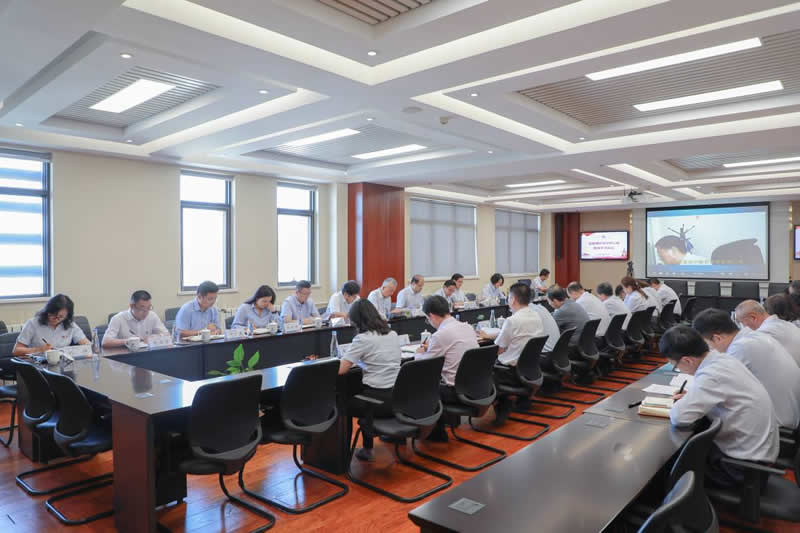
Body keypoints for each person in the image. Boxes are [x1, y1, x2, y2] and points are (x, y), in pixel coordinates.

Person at [660, 325, 779, 489]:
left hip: (742, 469)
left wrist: (686, 401)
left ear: (687, 360)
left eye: (676, 366)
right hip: (757, 455)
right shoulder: (724, 360)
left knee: (668, 470)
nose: (678, 369)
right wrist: (692, 396)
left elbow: (679, 417)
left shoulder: (711, 375)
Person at [693, 308, 800, 429]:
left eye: (708, 345)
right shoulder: (752, 336)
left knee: (707, 420)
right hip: (789, 410)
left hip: (780, 421)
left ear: (717, 338)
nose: (711, 349)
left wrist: (694, 395)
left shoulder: (740, 349)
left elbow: (717, 388)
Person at [338, 299, 401, 461]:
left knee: (341, 403)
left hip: (377, 403)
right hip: (398, 399)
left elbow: (341, 369)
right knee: (363, 391)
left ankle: (355, 452)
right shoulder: (392, 334)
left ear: (357, 321)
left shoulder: (363, 339)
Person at [416, 295, 479, 441]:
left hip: (454, 391)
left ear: (431, 316)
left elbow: (424, 365)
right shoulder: (467, 327)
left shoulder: (440, 335)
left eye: (427, 319)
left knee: (420, 386)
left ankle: (435, 433)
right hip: (474, 386)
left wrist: (418, 353)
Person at [479, 283, 543, 424]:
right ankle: (522, 400)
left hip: (510, 373)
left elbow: (499, 349)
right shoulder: (536, 316)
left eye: (508, 297)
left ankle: (502, 404)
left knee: (484, 368)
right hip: (531, 369)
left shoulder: (512, 320)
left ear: (513, 299)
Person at [13, 294, 90, 355]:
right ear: (47, 311)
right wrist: (39, 350)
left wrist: (88, 348)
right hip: (38, 365)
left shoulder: (70, 324)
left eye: (61, 317)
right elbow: (16, 351)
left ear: (67, 317)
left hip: (62, 363)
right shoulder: (33, 323)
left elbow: (86, 343)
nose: (56, 319)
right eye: (53, 314)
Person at [736, 299, 800, 368]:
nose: (744, 327)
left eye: (742, 323)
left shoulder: (763, 333)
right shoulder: (787, 324)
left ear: (753, 318)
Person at [103, 290, 168, 348]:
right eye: (142, 309)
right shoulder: (118, 318)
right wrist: (128, 341)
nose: (146, 312)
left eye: (148, 308)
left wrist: (152, 337)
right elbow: (105, 342)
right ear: (132, 306)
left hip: (148, 353)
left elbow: (166, 334)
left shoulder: (152, 316)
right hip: (125, 354)